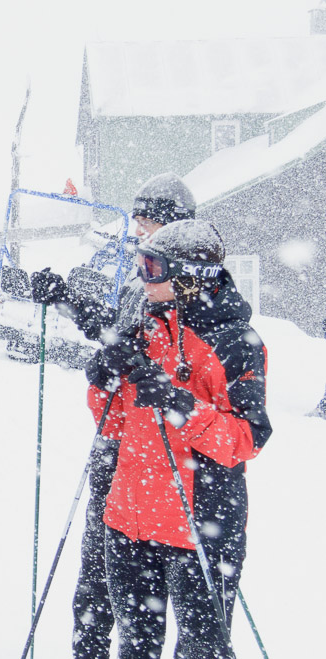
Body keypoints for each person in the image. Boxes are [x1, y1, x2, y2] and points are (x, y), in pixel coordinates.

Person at [85, 219, 271, 658]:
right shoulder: (148, 327)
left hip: (199, 527)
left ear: (190, 276)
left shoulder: (235, 343)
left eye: (153, 267)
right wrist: (103, 383)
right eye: (141, 264)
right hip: (131, 518)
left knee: (201, 651)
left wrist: (180, 404)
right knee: (135, 647)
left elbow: (246, 439)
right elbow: (114, 426)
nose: (143, 277)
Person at [29, 172, 196, 659]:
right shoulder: (138, 286)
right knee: (95, 586)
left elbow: (174, 373)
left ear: (171, 229)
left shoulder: (183, 296)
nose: (136, 232)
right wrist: (65, 297)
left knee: (151, 604)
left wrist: (130, 365)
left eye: (145, 224)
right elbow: (112, 333)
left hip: (164, 465)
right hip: (117, 453)